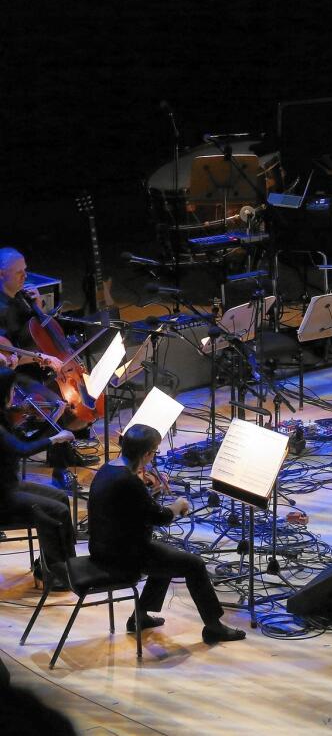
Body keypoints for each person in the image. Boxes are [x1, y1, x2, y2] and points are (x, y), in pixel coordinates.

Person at [88, 424, 245, 643]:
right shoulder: (129, 482)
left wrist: (150, 492)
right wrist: (177, 505)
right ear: (146, 454)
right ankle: (213, 627)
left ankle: (140, 616)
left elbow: (131, 507)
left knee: (166, 557)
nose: (154, 457)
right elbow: (160, 517)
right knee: (194, 564)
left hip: (103, 547)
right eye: (154, 452)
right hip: (121, 558)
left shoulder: (109, 469)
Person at [0, 248, 75, 490]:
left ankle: (57, 451)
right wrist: (40, 359)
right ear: (2, 274)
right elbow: (9, 358)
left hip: (35, 369)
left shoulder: (21, 299)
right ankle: (57, 467)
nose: (25, 276)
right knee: (56, 405)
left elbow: (39, 334)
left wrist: (38, 305)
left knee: (68, 400)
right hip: (15, 376)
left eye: (25, 271)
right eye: (19, 272)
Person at [0, 367, 77, 590]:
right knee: (56, 511)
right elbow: (22, 449)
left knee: (61, 498)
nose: (15, 394)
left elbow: (23, 439)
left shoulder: (3, 417)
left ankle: (65, 567)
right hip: (3, 497)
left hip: (9, 486)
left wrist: (52, 419)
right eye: (13, 389)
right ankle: (56, 573)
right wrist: (55, 439)